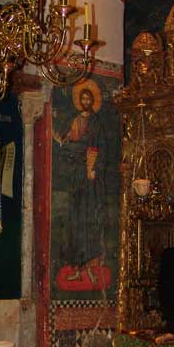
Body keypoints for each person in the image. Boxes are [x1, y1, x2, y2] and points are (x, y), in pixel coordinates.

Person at [52, 84, 106, 284]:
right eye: (82, 99)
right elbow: (66, 141)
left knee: (89, 219)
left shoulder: (97, 123)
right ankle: (76, 267)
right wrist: (62, 142)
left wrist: (94, 168)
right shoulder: (75, 120)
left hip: (89, 177)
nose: (85, 102)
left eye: (88, 99)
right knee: (74, 220)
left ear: (92, 101)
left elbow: (102, 149)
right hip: (76, 176)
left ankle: (90, 267)